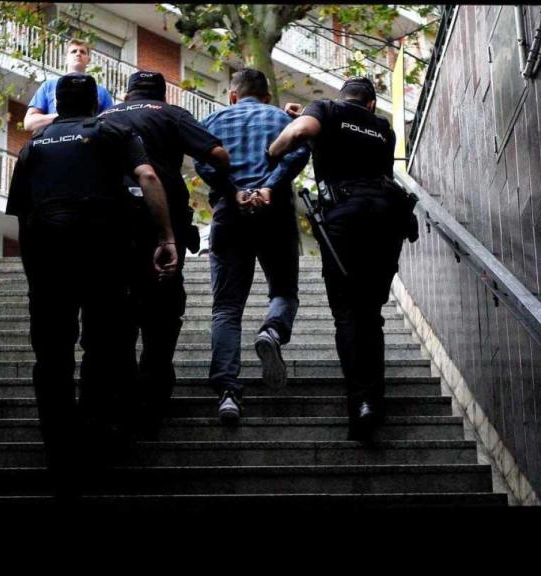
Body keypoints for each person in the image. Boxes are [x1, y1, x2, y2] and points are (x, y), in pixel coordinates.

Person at [6, 73, 178, 490]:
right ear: (96, 103)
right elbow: (149, 178)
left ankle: (59, 446)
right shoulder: (112, 129)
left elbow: (20, 212)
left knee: (52, 350)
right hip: (102, 247)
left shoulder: (33, 147)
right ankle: (99, 428)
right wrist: (165, 237)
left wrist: (34, 271)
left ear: (57, 105)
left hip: (48, 250)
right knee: (106, 341)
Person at [269, 76, 411, 442]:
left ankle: (361, 404)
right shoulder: (383, 127)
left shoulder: (328, 109)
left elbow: (303, 132)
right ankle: (372, 401)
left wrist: (274, 150)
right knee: (370, 312)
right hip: (386, 218)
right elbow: (350, 136)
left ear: (341, 96)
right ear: (371, 104)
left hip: (345, 219)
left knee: (348, 311)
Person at [97, 70, 235, 437]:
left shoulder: (103, 118)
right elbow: (218, 154)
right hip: (161, 226)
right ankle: (154, 392)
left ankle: (121, 394)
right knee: (162, 311)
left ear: (126, 93)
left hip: (109, 226)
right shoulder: (171, 114)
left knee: (116, 313)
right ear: (160, 93)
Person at [195, 68, 310, 424]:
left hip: (230, 214)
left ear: (232, 95)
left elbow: (204, 161)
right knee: (283, 290)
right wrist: (271, 185)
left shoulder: (212, 119)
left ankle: (229, 393)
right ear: (265, 96)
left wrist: (235, 191)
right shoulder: (280, 117)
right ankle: (272, 330)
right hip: (274, 212)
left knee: (226, 307)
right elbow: (300, 150)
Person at [23, 38, 114, 132]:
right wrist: (62, 116)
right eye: (74, 51)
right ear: (66, 58)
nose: (78, 54)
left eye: (82, 52)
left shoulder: (102, 92)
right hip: (56, 140)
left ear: (88, 60)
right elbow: (29, 123)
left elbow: (111, 124)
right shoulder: (48, 86)